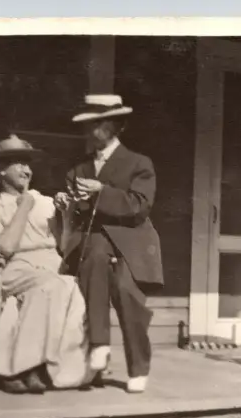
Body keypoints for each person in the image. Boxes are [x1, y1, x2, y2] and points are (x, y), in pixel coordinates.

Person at [56, 94, 163, 394]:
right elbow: (76, 217)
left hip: (132, 241)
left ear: (116, 126)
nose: (90, 131)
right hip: (93, 241)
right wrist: (66, 202)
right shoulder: (77, 170)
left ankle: (138, 368)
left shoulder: (139, 163)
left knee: (127, 292)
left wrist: (102, 192)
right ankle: (99, 345)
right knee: (93, 260)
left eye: (98, 125)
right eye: (88, 125)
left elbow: (139, 205)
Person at [0, 134, 94, 394]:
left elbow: (64, 245)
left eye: (28, 164)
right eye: (17, 163)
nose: (26, 170)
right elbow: (5, 248)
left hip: (53, 265)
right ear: (1, 170)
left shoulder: (48, 202)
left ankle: (62, 370)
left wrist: (66, 215)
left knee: (71, 286)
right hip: (18, 268)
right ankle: (25, 367)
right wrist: (23, 206)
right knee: (52, 287)